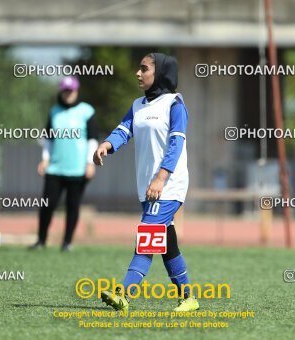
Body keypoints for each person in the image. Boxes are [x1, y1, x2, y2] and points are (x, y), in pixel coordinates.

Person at [93, 53, 199, 312]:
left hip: (168, 185)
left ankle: (124, 294)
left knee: (148, 235)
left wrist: (161, 178)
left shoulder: (174, 104)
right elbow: (124, 129)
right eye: (139, 69)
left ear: (160, 73)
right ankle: (188, 298)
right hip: (148, 187)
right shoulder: (138, 104)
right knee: (167, 244)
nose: (138, 74)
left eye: (144, 69)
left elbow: (176, 144)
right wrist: (107, 144)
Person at [30, 76, 98, 251]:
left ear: (76, 90)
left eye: (71, 90)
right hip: (55, 168)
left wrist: (90, 163)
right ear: (61, 91)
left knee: (72, 206)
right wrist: (45, 159)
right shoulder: (54, 111)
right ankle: (41, 241)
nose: (68, 93)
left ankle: (67, 243)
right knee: (48, 205)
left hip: (78, 169)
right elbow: (49, 139)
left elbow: (92, 139)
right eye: (65, 90)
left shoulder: (87, 111)